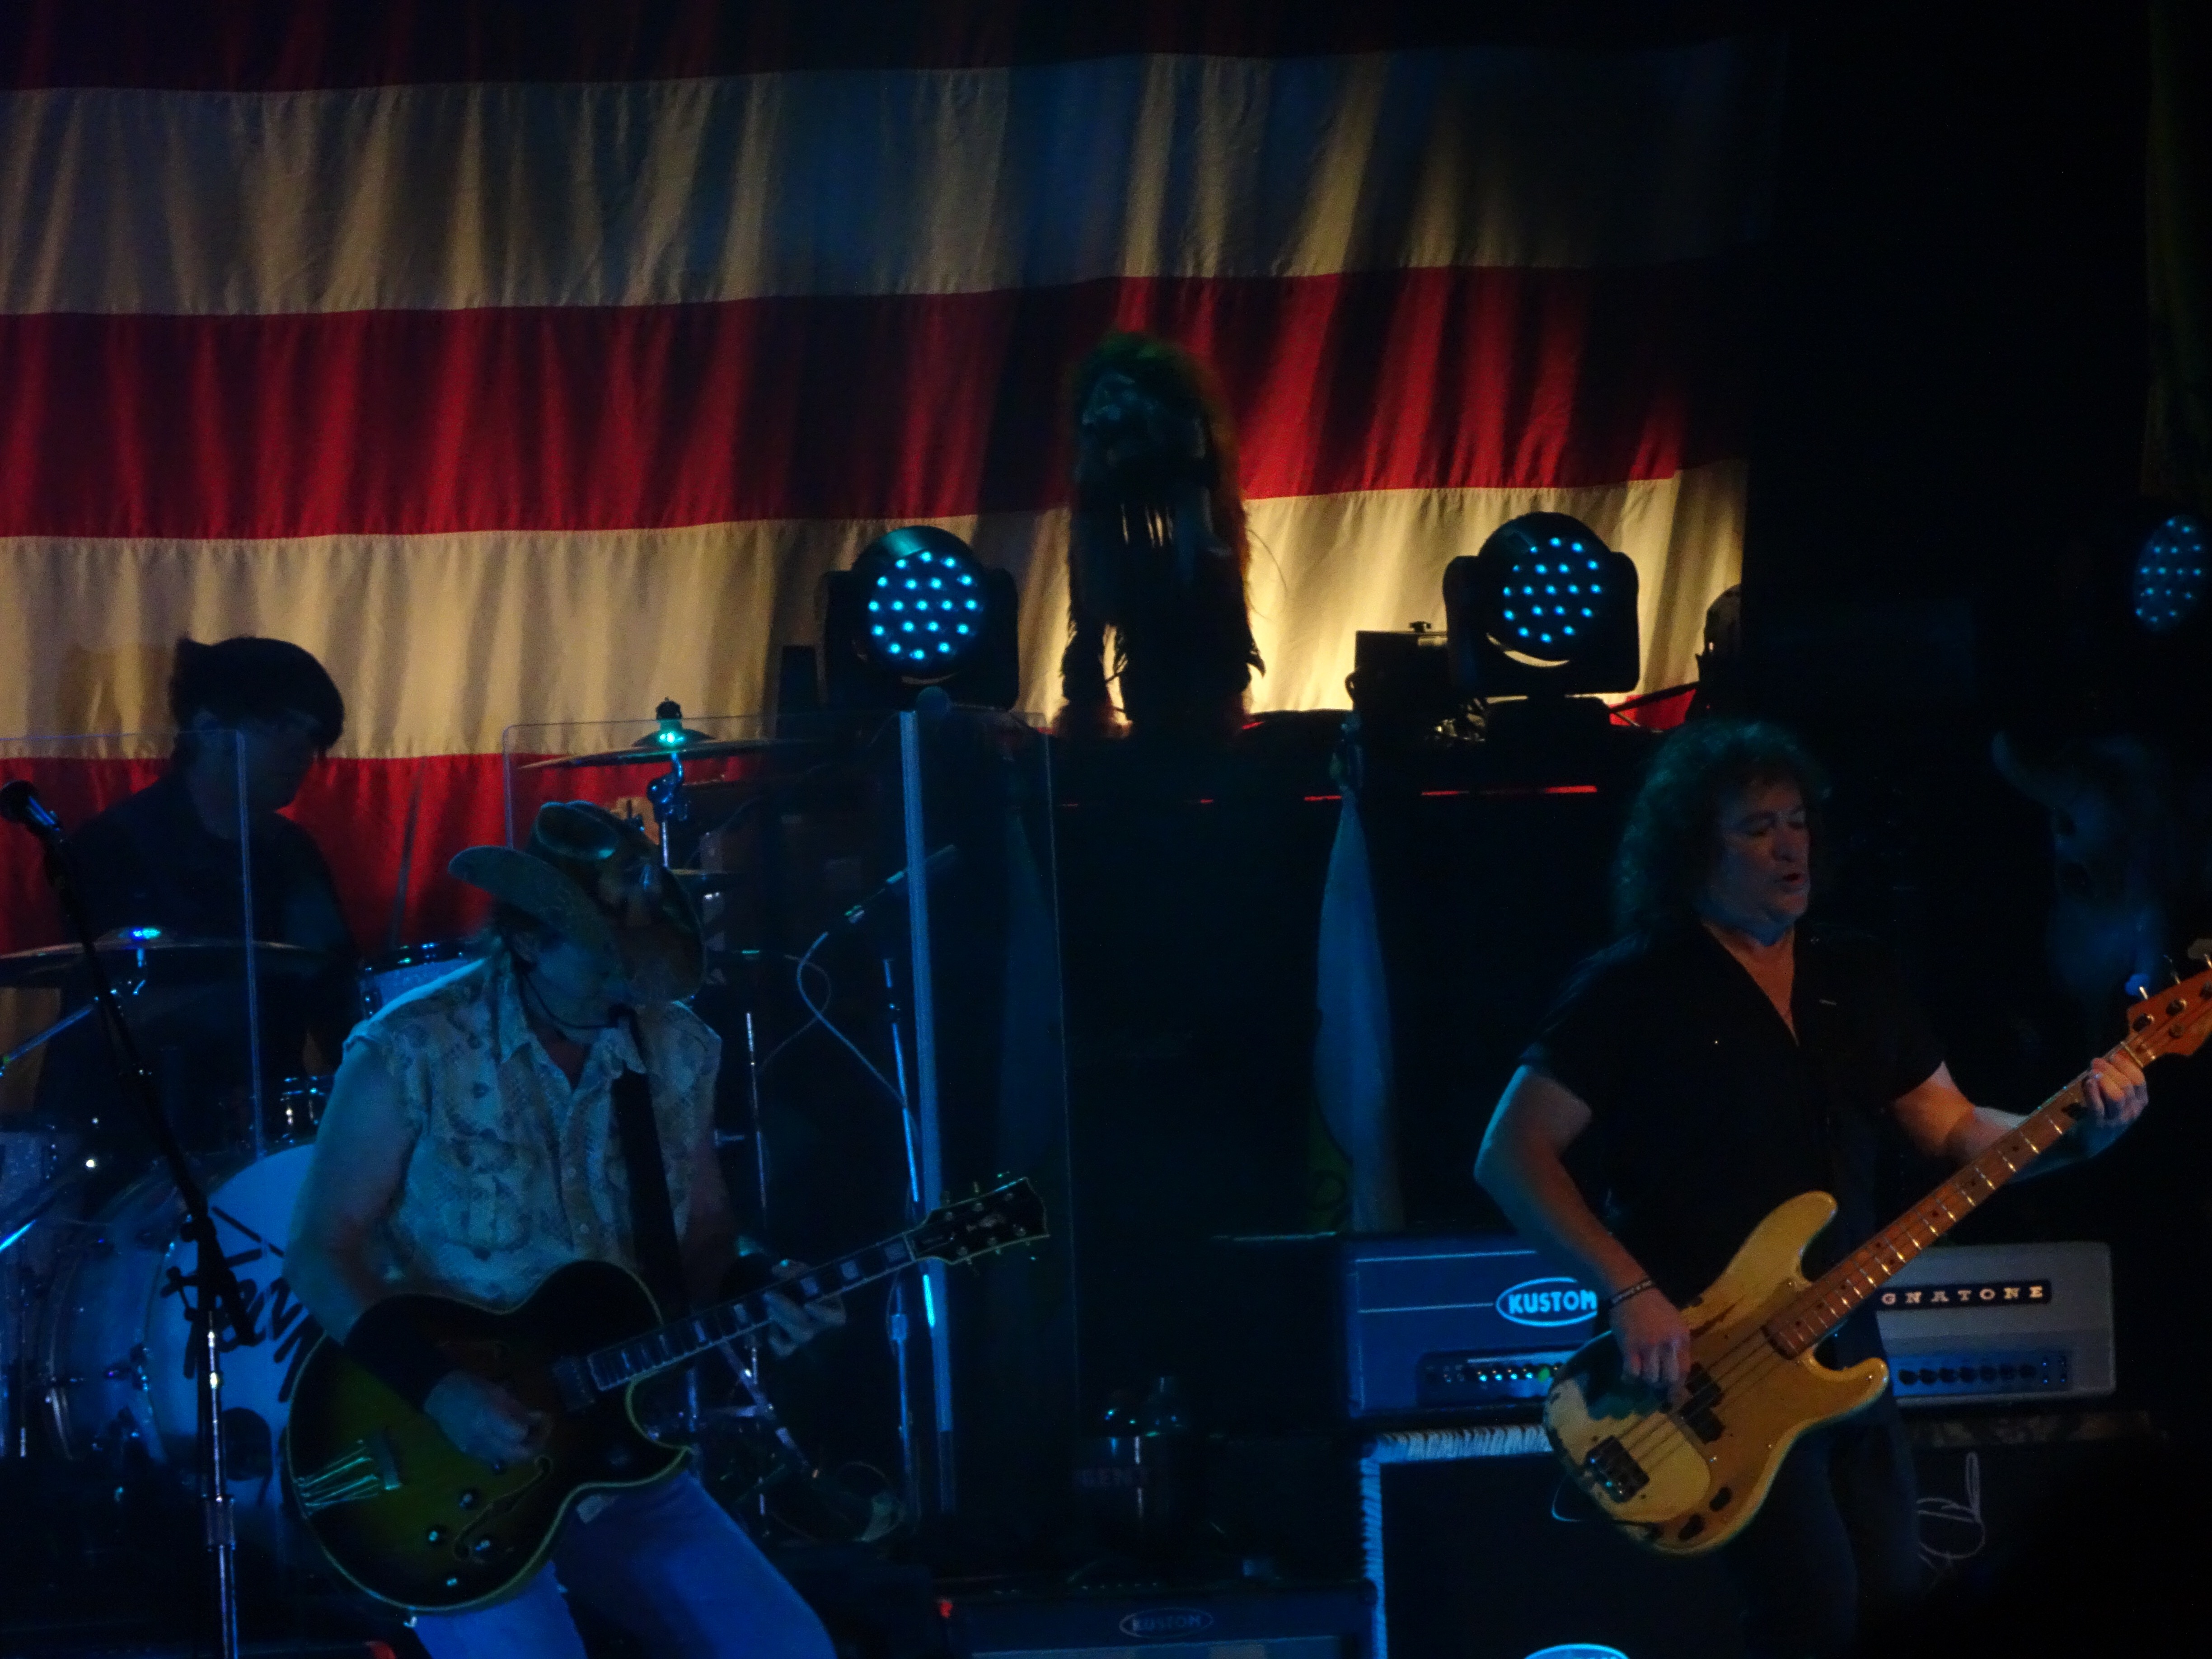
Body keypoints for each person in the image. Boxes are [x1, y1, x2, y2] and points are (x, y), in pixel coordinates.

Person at [1473, 719, 2149, 1659]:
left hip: (1843, 1352)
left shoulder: (1854, 973)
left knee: (1893, 1606)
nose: (1790, 846)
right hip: (1708, 1367)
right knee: (1812, 1616)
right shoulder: (1633, 988)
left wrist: (2082, 1130)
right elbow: (1511, 1154)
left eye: (1797, 822)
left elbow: (1955, 1131)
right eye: (1757, 828)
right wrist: (1630, 1293)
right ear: (1693, 848)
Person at [286, 800, 841, 1659]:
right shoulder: (411, 1048)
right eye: (605, 952)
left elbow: (704, 1232)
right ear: (529, 939)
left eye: (643, 950)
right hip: (447, 1446)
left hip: (610, 1442)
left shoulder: (677, 1048)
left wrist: (757, 1286)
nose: (630, 974)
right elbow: (322, 1251)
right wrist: (441, 1390)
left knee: (788, 1649)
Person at [35, 635, 359, 1151]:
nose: (303, 750)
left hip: (264, 1129)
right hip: (129, 1135)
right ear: (209, 730)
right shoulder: (116, 845)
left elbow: (336, 993)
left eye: (312, 733)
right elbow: (114, 1009)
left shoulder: (293, 852)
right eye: (280, 726)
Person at [1057, 332, 1264, 743]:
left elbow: (1204, 526)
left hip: (1179, 490)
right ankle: (1102, 703)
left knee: (1197, 547)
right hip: (1131, 499)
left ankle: (1208, 704)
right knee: (1104, 575)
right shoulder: (1111, 442)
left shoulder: (1181, 432)